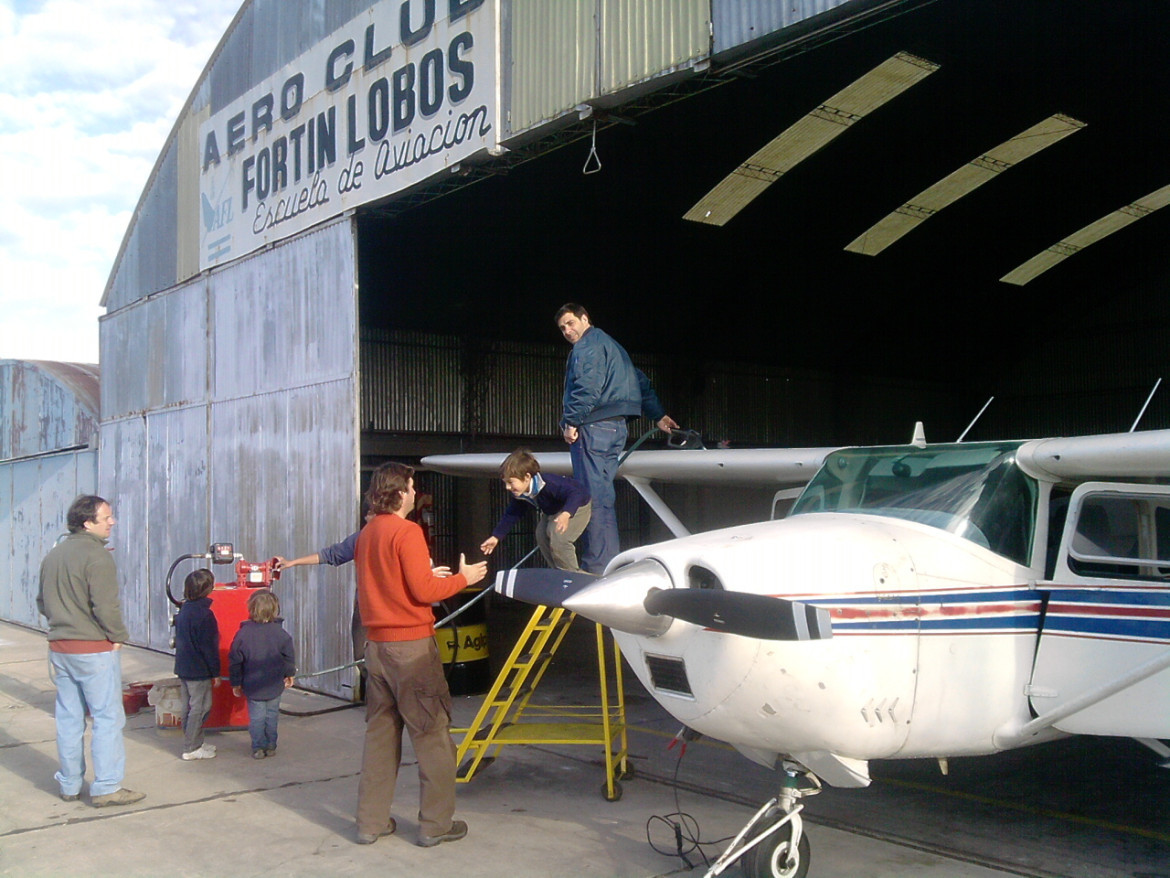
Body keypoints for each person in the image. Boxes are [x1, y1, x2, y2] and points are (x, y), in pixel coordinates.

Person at [353, 461, 487, 848]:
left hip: (376, 648)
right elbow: (424, 593)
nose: (416, 494)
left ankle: (370, 822)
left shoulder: (367, 534)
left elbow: (399, 583)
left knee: (380, 734)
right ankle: (435, 824)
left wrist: (431, 580)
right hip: (410, 648)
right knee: (432, 735)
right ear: (399, 492)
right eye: (412, 487)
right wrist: (464, 579)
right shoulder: (407, 532)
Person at [36, 494, 145, 807]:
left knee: (69, 718)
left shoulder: (53, 556)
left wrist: (65, 623)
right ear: (87, 522)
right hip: (93, 649)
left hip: (60, 648)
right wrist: (118, 635)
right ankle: (107, 786)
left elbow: (42, 602)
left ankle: (69, 784)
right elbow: (105, 605)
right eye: (106, 517)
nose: (112, 522)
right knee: (107, 718)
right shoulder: (98, 557)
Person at [555, 303, 679, 573]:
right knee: (602, 496)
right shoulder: (613, 348)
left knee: (592, 498)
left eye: (570, 323)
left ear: (585, 318)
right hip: (616, 430)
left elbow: (587, 385)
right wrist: (657, 415)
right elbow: (640, 382)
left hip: (593, 428)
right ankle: (607, 561)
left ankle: (599, 567)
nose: (567, 330)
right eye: (562, 327)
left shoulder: (587, 347)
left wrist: (572, 422)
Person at [479, 448, 592, 572]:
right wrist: (496, 536)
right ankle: (558, 571)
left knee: (558, 536)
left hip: (577, 505)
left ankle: (572, 574)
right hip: (554, 511)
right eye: (505, 483)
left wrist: (566, 513)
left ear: (527, 477)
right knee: (541, 535)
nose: (507, 487)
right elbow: (511, 514)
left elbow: (576, 493)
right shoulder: (521, 494)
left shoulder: (549, 483)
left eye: (511, 482)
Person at [228, 589, 296, 759]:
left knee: (257, 718)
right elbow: (288, 656)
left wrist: (235, 683)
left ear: (251, 609)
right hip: (274, 684)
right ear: (275, 609)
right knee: (272, 716)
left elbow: (235, 661)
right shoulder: (281, 634)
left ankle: (258, 747)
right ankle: (271, 745)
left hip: (253, 686)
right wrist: (290, 674)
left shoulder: (243, 634)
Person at [173, 568, 220, 761]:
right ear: (207, 589)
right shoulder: (205, 615)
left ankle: (195, 742)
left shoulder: (184, 610)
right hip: (199, 670)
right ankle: (191, 747)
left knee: (188, 707)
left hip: (183, 667)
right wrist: (215, 673)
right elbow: (209, 647)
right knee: (201, 707)